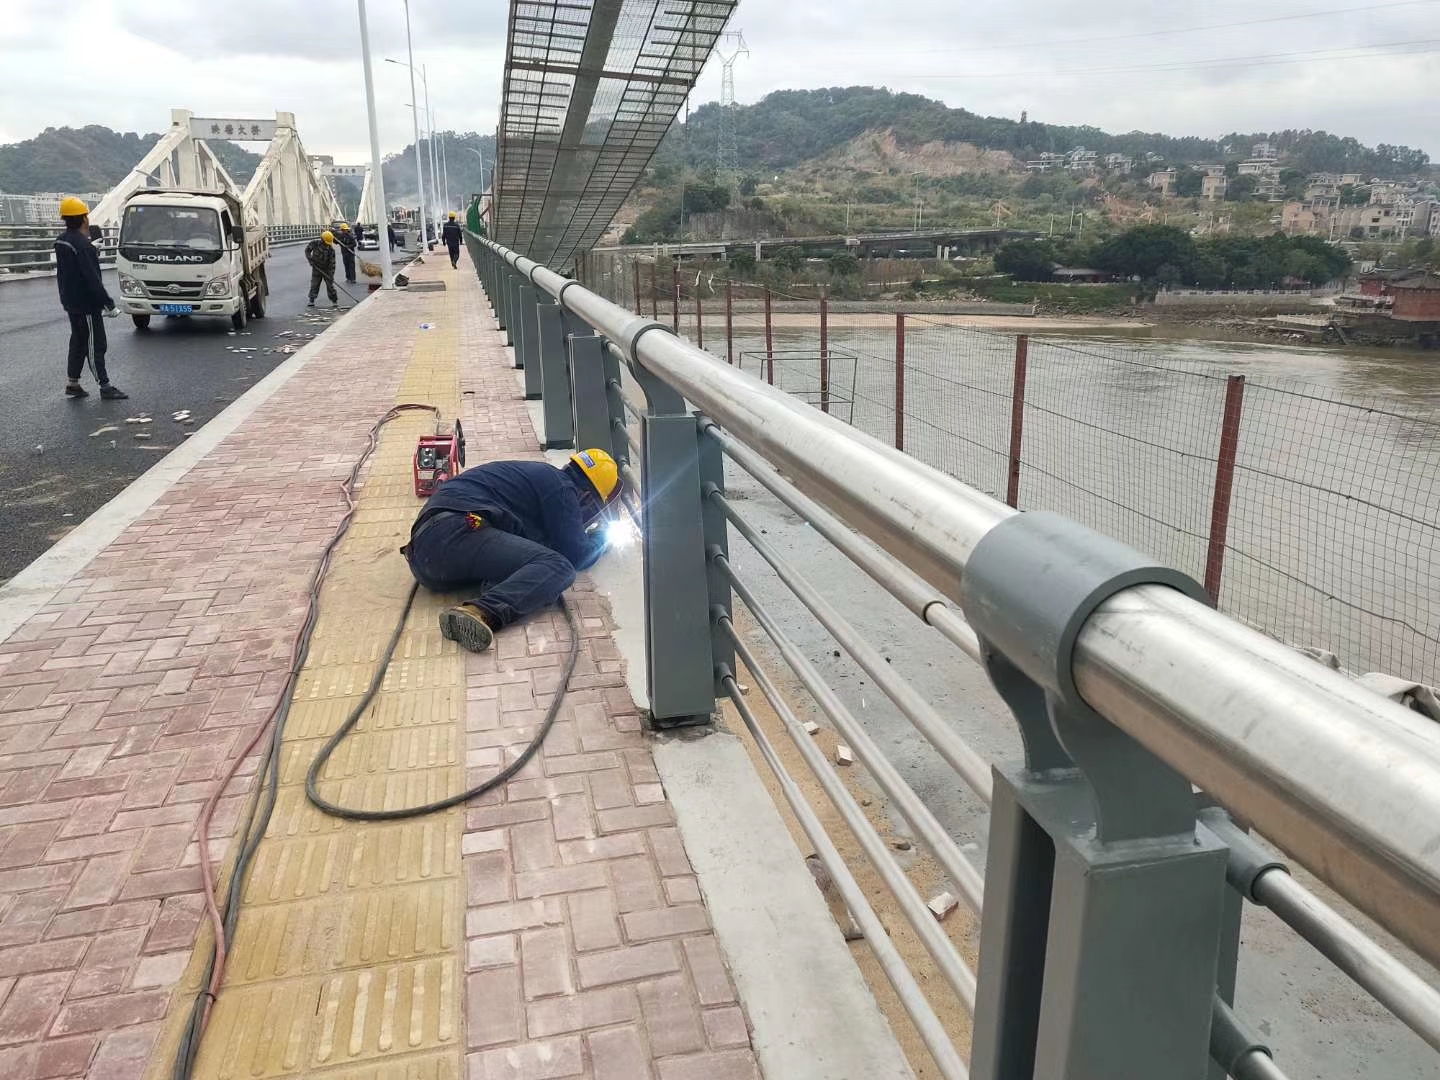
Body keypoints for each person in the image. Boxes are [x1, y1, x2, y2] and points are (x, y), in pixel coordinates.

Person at [402, 450, 623, 652]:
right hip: (454, 532)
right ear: (587, 496)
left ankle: (493, 592)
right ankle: (481, 612)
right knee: (558, 567)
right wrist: (602, 537)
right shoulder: (562, 488)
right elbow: (577, 555)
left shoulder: (541, 477)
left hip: (428, 560)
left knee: (535, 562)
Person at [54, 196, 127, 400]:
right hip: (86, 305)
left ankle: (73, 383)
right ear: (84, 219)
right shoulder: (83, 246)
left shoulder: (62, 241)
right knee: (96, 344)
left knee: (78, 341)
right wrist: (109, 304)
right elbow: (92, 279)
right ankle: (105, 386)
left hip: (70, 301)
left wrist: (90, 249)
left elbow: (71, 270)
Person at [305, 230, 338, 307]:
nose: (327, 244)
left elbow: (332, 263)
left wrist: (331, 275)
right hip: (316, 268)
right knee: (314, 284)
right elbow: (307, 251)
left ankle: (334, 300)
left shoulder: (331, 250)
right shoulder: (315, 243)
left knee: (330, 286)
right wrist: (310, 260)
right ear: (322, 239)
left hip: (326, 269)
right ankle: (311, 300)